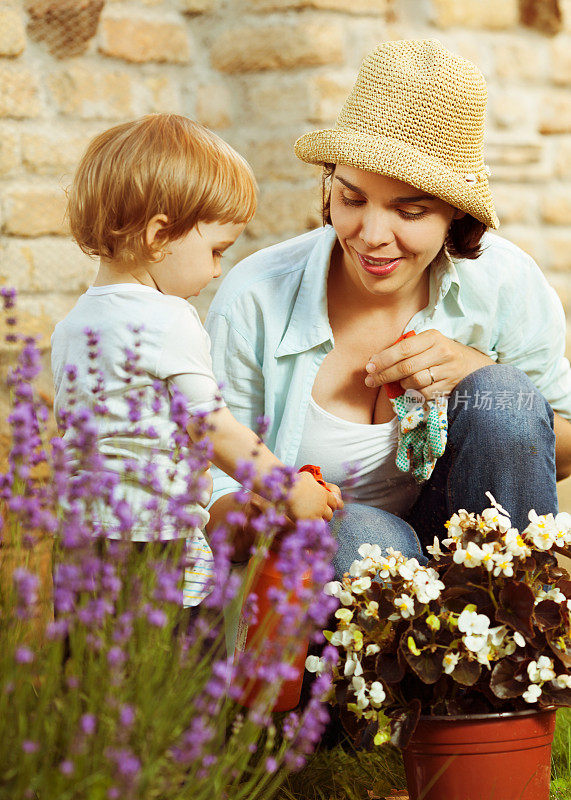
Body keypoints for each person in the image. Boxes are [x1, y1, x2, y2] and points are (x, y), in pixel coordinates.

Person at [204, 39, 571, 580]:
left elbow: (555, 449)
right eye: (351, 199)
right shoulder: (256, 298)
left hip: (474, 569)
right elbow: (206, 501)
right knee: (356, 533)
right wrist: (258, 507)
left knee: (508, 396)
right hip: (341, 594)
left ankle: (510, 650)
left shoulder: (504, 282)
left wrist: (477, 375)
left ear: (455, 218)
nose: (372, 236)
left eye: (410, 210)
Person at [51, 114, 341, 609]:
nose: (216, 269)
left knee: (90, 680)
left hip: (78, 541)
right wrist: (288, 489)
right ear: (160, 236)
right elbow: (212, 428)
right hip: (151, 543)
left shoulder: (74, 323)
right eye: (215, 251)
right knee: (174, 676)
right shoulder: (169, 319)